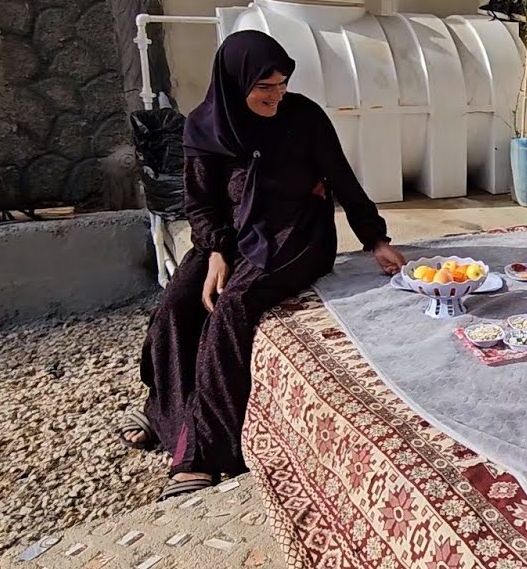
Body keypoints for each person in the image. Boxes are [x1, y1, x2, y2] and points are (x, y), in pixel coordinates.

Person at [118, 30, 405, 500]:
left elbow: (342, 178)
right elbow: (202, 204)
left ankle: (204, 452)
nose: (276, 97)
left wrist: (375, 239)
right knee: (176, 306)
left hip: (297, 233)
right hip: (230, 236)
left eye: (282, 85)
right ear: (235, 84)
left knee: (231, 306)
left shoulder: (304, 117)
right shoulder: (205, 127)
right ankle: (166, 414)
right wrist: (212, 251)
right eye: (264, 88)